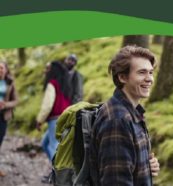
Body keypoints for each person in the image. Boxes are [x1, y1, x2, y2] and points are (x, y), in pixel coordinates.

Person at [89, 46, 160, 185]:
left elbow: (127, 164)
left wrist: (145, 166)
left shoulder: (132, 112)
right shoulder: (117, 120)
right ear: (122, 77)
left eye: (151, 72)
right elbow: (115, 181)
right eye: (142, 72)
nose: (149, 79)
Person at [36, 61, 72, 182]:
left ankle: (61, 177)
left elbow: (47, 105)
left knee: (53, 147)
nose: (45, 71)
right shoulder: (65, 85)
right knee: (45, 144)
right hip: (65, 118)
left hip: (55, 119)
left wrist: (39, 120)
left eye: (48, 68)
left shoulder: (52, 84)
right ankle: (55, 173)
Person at [0, 60, 18, 177]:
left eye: (1, 67)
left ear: (6, 70)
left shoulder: (10, 83)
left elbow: (16, 101)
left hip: (3, 116)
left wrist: (5, 104)